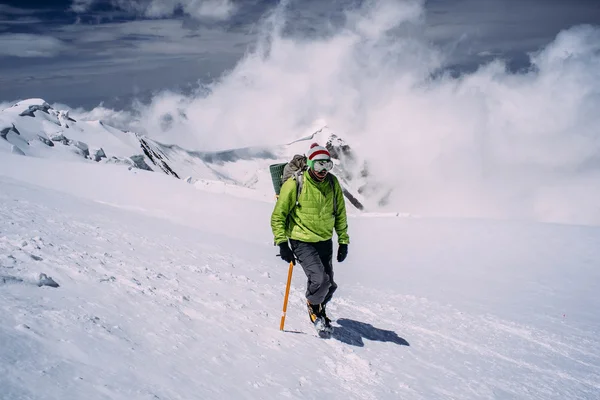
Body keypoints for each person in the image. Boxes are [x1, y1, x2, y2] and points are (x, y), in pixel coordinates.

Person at [270, 143, 349, 332]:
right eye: (318, 165)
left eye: (327, 165)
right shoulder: (295, 183)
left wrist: (343, 241)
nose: (323, 170)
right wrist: (282, 243)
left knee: (329, 286)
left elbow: (340, 213)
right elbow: (278, 215)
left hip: (324, 240)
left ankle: (318, 306)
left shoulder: (332, 183)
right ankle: (313, 307)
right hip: (301, 240)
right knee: (320, 280)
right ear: (310, 164)